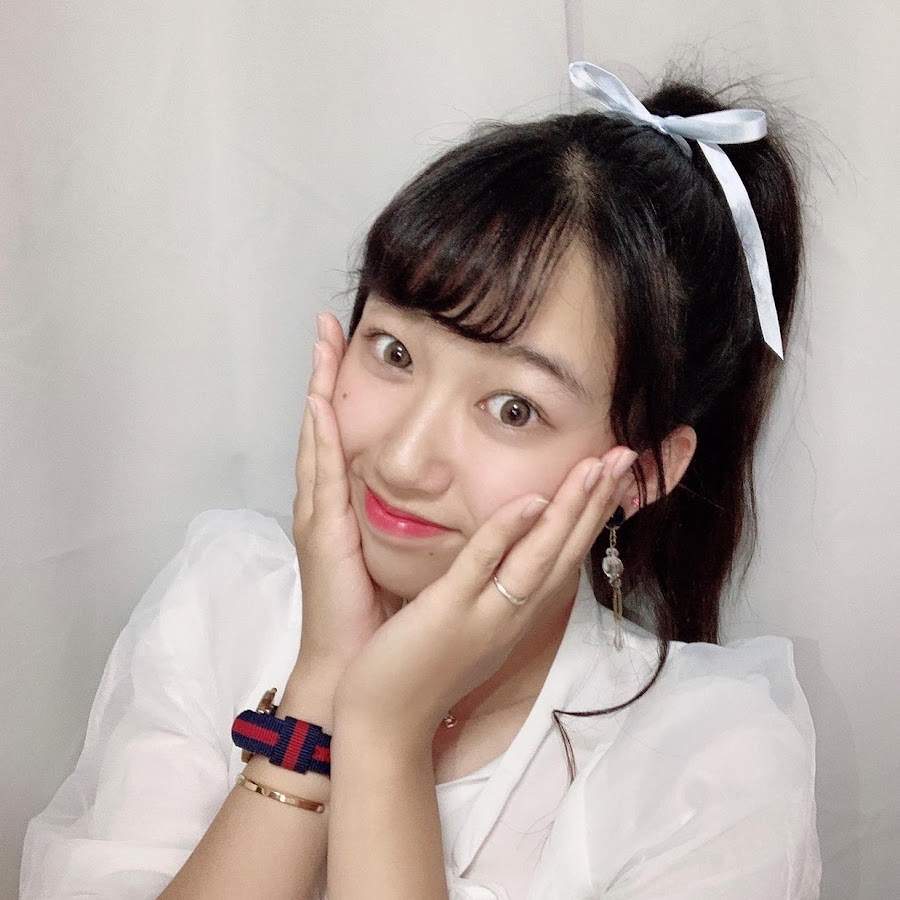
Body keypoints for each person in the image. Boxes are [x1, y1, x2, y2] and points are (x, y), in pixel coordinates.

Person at [20, 62, 821, 899]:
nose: (403, 460)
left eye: (513, 409)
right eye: (395, 352)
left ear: (642, 472)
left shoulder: (711, 774)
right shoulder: (225, 604)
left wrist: (384, 732)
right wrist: (322, 684)